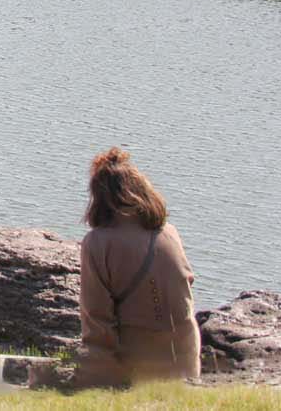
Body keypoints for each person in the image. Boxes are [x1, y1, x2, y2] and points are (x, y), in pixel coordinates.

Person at [71, 147, 201, 387]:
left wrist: (91, 374)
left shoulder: (98, 243)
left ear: (98, 197)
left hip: (137, 367)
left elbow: (97, 321)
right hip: (186, 362)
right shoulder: (169, 233)